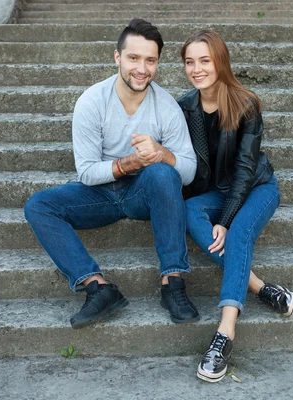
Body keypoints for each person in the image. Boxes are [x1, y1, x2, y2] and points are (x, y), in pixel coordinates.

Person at [24, 19, 199, 329]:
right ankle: (97, 287)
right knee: (38, 206)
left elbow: (187, 172)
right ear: (118, 57)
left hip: (142, 194)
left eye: (150, 60)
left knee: (164, 173)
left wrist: (163, 154)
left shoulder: (167, 107)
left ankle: (172, 283)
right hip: (101, 193)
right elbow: (88, 172)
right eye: (133, 58)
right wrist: (127, 164)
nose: (142, 69)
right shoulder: (92, 102)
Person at [177, 29, 293, 383]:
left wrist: (227, 220)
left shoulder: (246, 103)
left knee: (240, 234)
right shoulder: (186, 106)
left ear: (220, 62)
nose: (197, 69)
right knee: (190, 212)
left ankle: (225, 332)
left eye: (205, 60)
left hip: (257, 188)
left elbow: (245, 171)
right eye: (189, 62)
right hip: (216, 191)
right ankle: (262, 288)